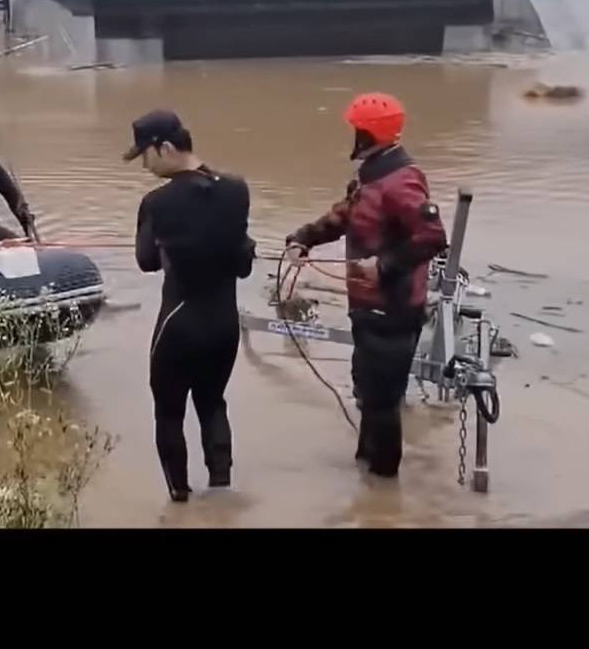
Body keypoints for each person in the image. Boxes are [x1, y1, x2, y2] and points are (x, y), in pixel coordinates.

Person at [283, 92, 448, 480]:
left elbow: (432, 237)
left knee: (383, 401)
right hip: (367, 308)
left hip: (393, 308)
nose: (352, 135)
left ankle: (384, 491)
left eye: (356, 129)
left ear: (369, 133)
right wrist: (303, 237)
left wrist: (386, 265)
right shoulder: (371, 176)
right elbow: (345, 216)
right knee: (367, 392)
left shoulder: (403, 181)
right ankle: (367, 469)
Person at [126, 110, 256, 503]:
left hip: (178, 325)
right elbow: (242, 261)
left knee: (169, 412)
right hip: (224, 324)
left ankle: (180, 501)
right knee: (212, 402)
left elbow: (146, 261)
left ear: (165, 148)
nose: (145, 167)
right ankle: (220, 493)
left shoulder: (156, 202)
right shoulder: (237, 190)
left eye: (145, 156)